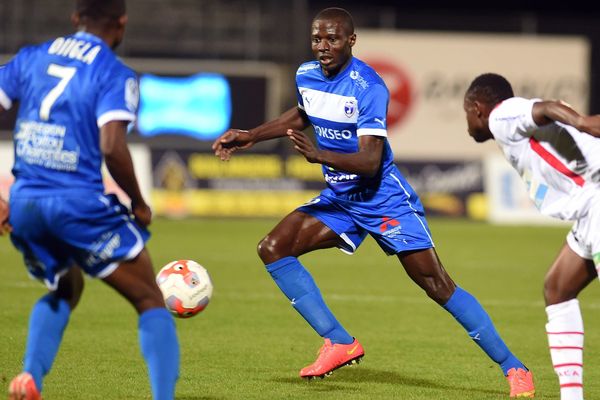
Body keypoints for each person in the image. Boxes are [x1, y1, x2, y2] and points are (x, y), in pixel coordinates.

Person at [213, 7, 534, 398]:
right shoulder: (305, 75)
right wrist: (251, 135)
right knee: (273, 247)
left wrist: (318, 156)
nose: (323, 46)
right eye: (317, 38)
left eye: (332, 39)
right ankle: (338, 342)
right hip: (340, 199)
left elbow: (369, 161)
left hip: (382, 198)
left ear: (351, 41)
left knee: (436, 284)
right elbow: (301, 115)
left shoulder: (368, 87)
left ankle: (514, 367)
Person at [0, 1, 180, 399]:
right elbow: (112, 146)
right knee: (150, 299)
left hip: (26, 201)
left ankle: (30, 376)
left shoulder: (31, 57)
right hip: (77, 202)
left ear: (75, 18)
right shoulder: (114, 73)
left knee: (66, 285)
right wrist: (138, 201)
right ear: (121, 24)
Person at [464, 72, 600, 400]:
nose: (467, 123)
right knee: (558, 289)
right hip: (589, 211)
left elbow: (544, 107)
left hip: (597, 203)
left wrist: (582, 122)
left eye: (466, 113)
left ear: (477, 107)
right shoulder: (510, 125)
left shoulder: (501, 115)